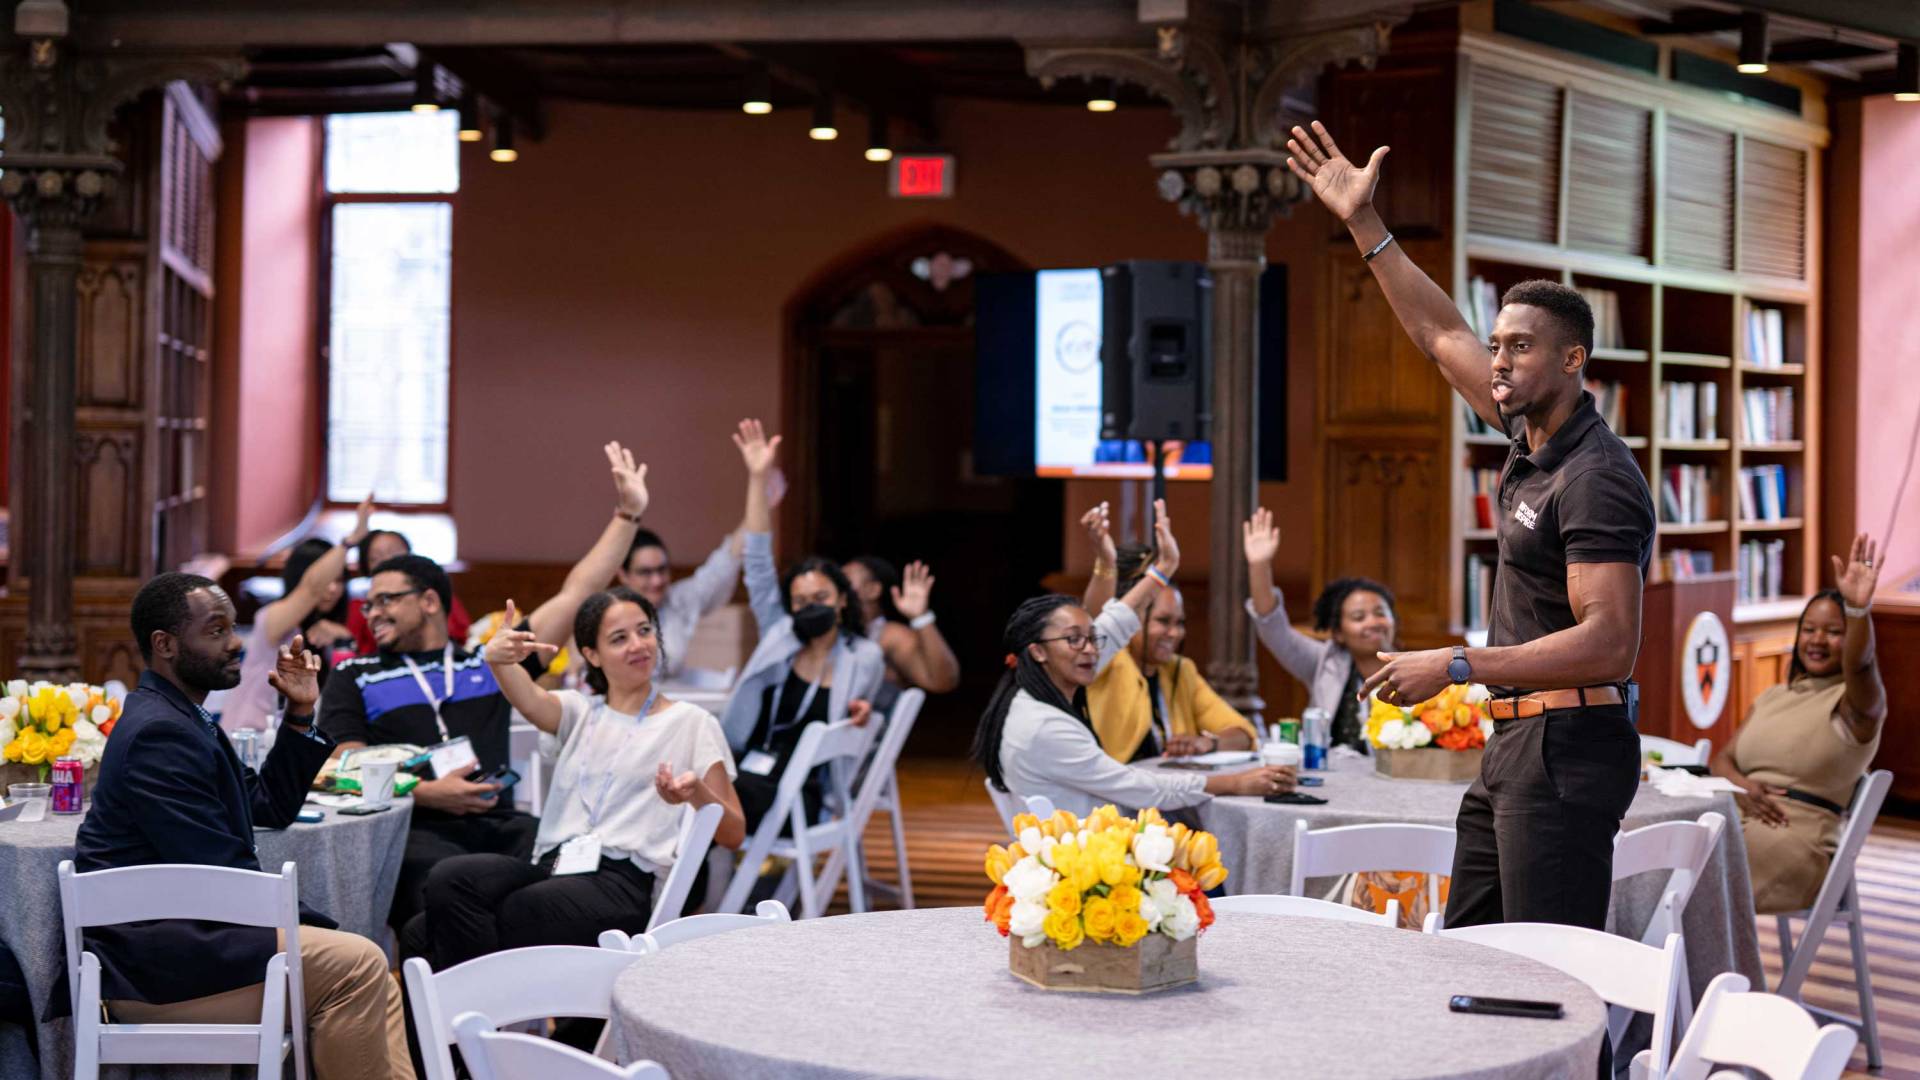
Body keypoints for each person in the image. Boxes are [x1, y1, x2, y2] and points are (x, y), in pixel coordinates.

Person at [1291, 120, 1654, 932]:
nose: (1498, 361)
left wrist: (1456, 664)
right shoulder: (1529, 440)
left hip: (1568, 745)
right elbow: (1438, 331)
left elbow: (1610, 642)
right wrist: (1362, 221)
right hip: (1516, 743)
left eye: (1520, 348)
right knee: (1474, 954)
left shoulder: (1594, 477)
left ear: (1571, 360)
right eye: (1499, 345)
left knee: (1547, 976)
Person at [77, 573, 413, 1079]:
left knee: (375, 977)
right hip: (158, 970)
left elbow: (268, 804)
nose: (236, 642)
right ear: (165, 645)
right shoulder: (161, 732)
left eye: (234, 628)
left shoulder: (184, 717)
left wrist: (300, 713)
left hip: (187, 947)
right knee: (360, 963)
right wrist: (307, 920)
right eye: (216, 631)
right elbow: (218, 870)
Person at [319, 441, 655, 934]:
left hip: (502, 825)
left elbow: (577, 592)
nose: (374, 614)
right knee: (446, 898)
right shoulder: (356, 672)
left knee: (582, 874)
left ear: (430, 601)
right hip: (415, 829)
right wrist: (428, 793)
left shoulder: (489, 661)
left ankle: (568, 1005)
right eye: (369, 605)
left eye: (387, 600)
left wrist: (627, 515)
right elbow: (342, 768)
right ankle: (470, 1009)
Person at [403, 588, 745, 969]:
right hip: (555, 868)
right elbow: (526, 696)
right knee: (439, 895)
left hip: (622, 883)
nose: (638, 644)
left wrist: (695, 792)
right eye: (619, 638)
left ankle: (487, 1015)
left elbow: (733, 833)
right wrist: (497, 660)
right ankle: (495, 1014)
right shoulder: (580, 711)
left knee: (453, 926)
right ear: (591, 655)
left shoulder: (691, 722)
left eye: (644, 630)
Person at [974, 501, 1294, 817]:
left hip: (1094, 836)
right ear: (1038, 651)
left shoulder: (1035, 691)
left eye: (1091, 638)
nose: (1088, 649)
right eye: (1074, 640)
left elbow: (1113, 624)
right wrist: (1235, 783)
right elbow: (1142, 789)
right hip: (1088, 856)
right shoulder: (1047, 725)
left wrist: (1165, 568)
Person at [717, 420, 884, 831]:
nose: (811, 609)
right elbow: (756, 562)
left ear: (843, 600)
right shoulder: (781, 632)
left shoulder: (864, 657)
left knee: (710, 803)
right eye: (801, 602)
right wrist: (758, 479)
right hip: (747, 771)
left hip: (802, 794)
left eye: (822, 599)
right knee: (702, 793)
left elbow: (858, 717)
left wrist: (861, 715)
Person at [1712, 534, 1888, 914]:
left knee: (1681, 883)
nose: (1817, 640)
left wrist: (1859, 610)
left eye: (1834, 631)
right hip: (1736, 816)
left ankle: (1689, 972)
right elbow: (1722, 760)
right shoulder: (1774, 695)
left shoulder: (1856, 705)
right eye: (1809, 629)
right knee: (1663, 857)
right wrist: (1742, 787)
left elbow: (1860, 664)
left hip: (1792, 838)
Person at [1078, 503, 1259, 762]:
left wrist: (1206, 743)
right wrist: (1106, 561)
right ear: (1131, 618)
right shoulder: (1108, 662)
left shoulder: (1180, 670)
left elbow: (1244, 734)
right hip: (1114, 797)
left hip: (1167, 794)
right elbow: (1097, 625)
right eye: (1163, 621)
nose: (1174, 633)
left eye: (1180, 623)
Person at [617, 420, 783, 683]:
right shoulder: (605, 612)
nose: (657, 580)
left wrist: (761, 496)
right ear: (623, 575)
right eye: (645, 573)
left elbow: (727, 559)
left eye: (662, 570)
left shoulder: (679, 600)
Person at [209, 495, 372, 731]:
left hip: (295, 742)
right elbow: (312, 589)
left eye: (340, 580)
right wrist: (349, 542)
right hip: (247, 739)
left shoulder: (331, 631)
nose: (333, 588)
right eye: (328, 579)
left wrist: (344, 638)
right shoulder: (273, 617)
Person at [1242, 506, 1399, 752]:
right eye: (1359, 617)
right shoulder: (1323, 661)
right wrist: (1259, 566)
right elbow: (1273, 627)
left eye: (1380, 613)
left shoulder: (1414, 668)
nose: (1372, 622)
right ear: (1338, 632)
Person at [843, 555, 962, 698]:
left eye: (844, 580)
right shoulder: (833, 632)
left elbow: (942, 682)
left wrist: (921, 618)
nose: (837, 587)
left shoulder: (890, 634)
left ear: (873, 590)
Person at [347, 528, 472, 656]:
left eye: (395, 554)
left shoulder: (436, 596)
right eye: (375, 558)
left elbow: (463, 636)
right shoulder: (358, 608)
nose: (387, 561)